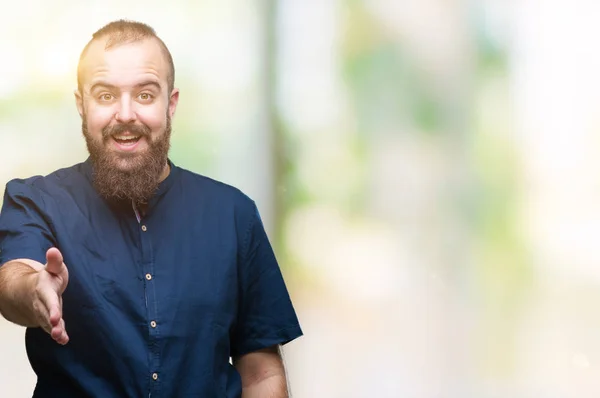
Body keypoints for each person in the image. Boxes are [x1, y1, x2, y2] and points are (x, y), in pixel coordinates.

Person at [0, 19, 302, 397]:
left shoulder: (234, 214)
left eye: (144, 95)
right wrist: (35, 289)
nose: (125, 114)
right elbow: (13, 278)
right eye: (106, 96)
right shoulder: (35, 201)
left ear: (170, 104)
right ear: (82, 105)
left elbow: (260, 372)